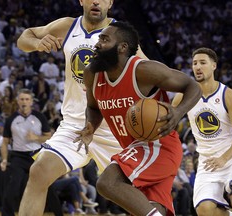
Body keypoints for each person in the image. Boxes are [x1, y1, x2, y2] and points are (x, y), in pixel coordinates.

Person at [16, 1, 149, 215]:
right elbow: (24, 37)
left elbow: (148, 70)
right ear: (81, 0)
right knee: (39, 171)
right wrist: (37, 44)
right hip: (75, 125)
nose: (96, 1)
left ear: (110, 3)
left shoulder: (121, 35)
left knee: (142, 196)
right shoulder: (67, 26)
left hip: (114, 128)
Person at [76, 21, 201, 216]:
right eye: (99, 38)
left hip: (158, 145)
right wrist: (90, 125)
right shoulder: (92, 73)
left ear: (122, 47)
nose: (97, 44)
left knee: (108, 182)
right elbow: (93, 107)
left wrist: (178, 113)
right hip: (136, 149)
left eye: (105, 39)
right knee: (153, 210)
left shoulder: (144, 70)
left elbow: (193, 87)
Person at [172, 47, 232, 216]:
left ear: (214, 66)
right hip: (208, 162)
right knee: (204, 211)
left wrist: (224, 158)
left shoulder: (228, 95)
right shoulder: (184, 95)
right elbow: (168, 119)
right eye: (195, 63)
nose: (197, 67)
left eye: (203, 63)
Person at [0, 88, 62, 216]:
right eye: (22, 99)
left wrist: (36, 138)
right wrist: (4, 159)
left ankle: (59, 214)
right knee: (13, 185)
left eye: (27, 99)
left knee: (48, 187)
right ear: (17, 101)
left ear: (31, 102)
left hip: (37, 155)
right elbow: (5, 142)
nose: (24, 102)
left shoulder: (39, 117)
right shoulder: (11, 119)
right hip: (18, 156)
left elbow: (49, 136)